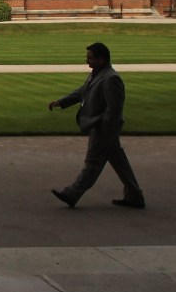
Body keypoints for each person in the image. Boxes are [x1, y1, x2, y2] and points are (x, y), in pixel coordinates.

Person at [46, 41, 144, 208]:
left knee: (93, 163)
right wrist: (61, 102)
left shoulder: (111, 78)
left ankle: (72, 193)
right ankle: (134, 195)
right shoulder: (97, 74)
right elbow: (82, 91)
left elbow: (114, 109)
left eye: (90, 58)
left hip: (104, 128)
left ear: (102, 59)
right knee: (119, 162)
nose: (87, 61)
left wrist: (105, 129)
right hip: (101, 126)